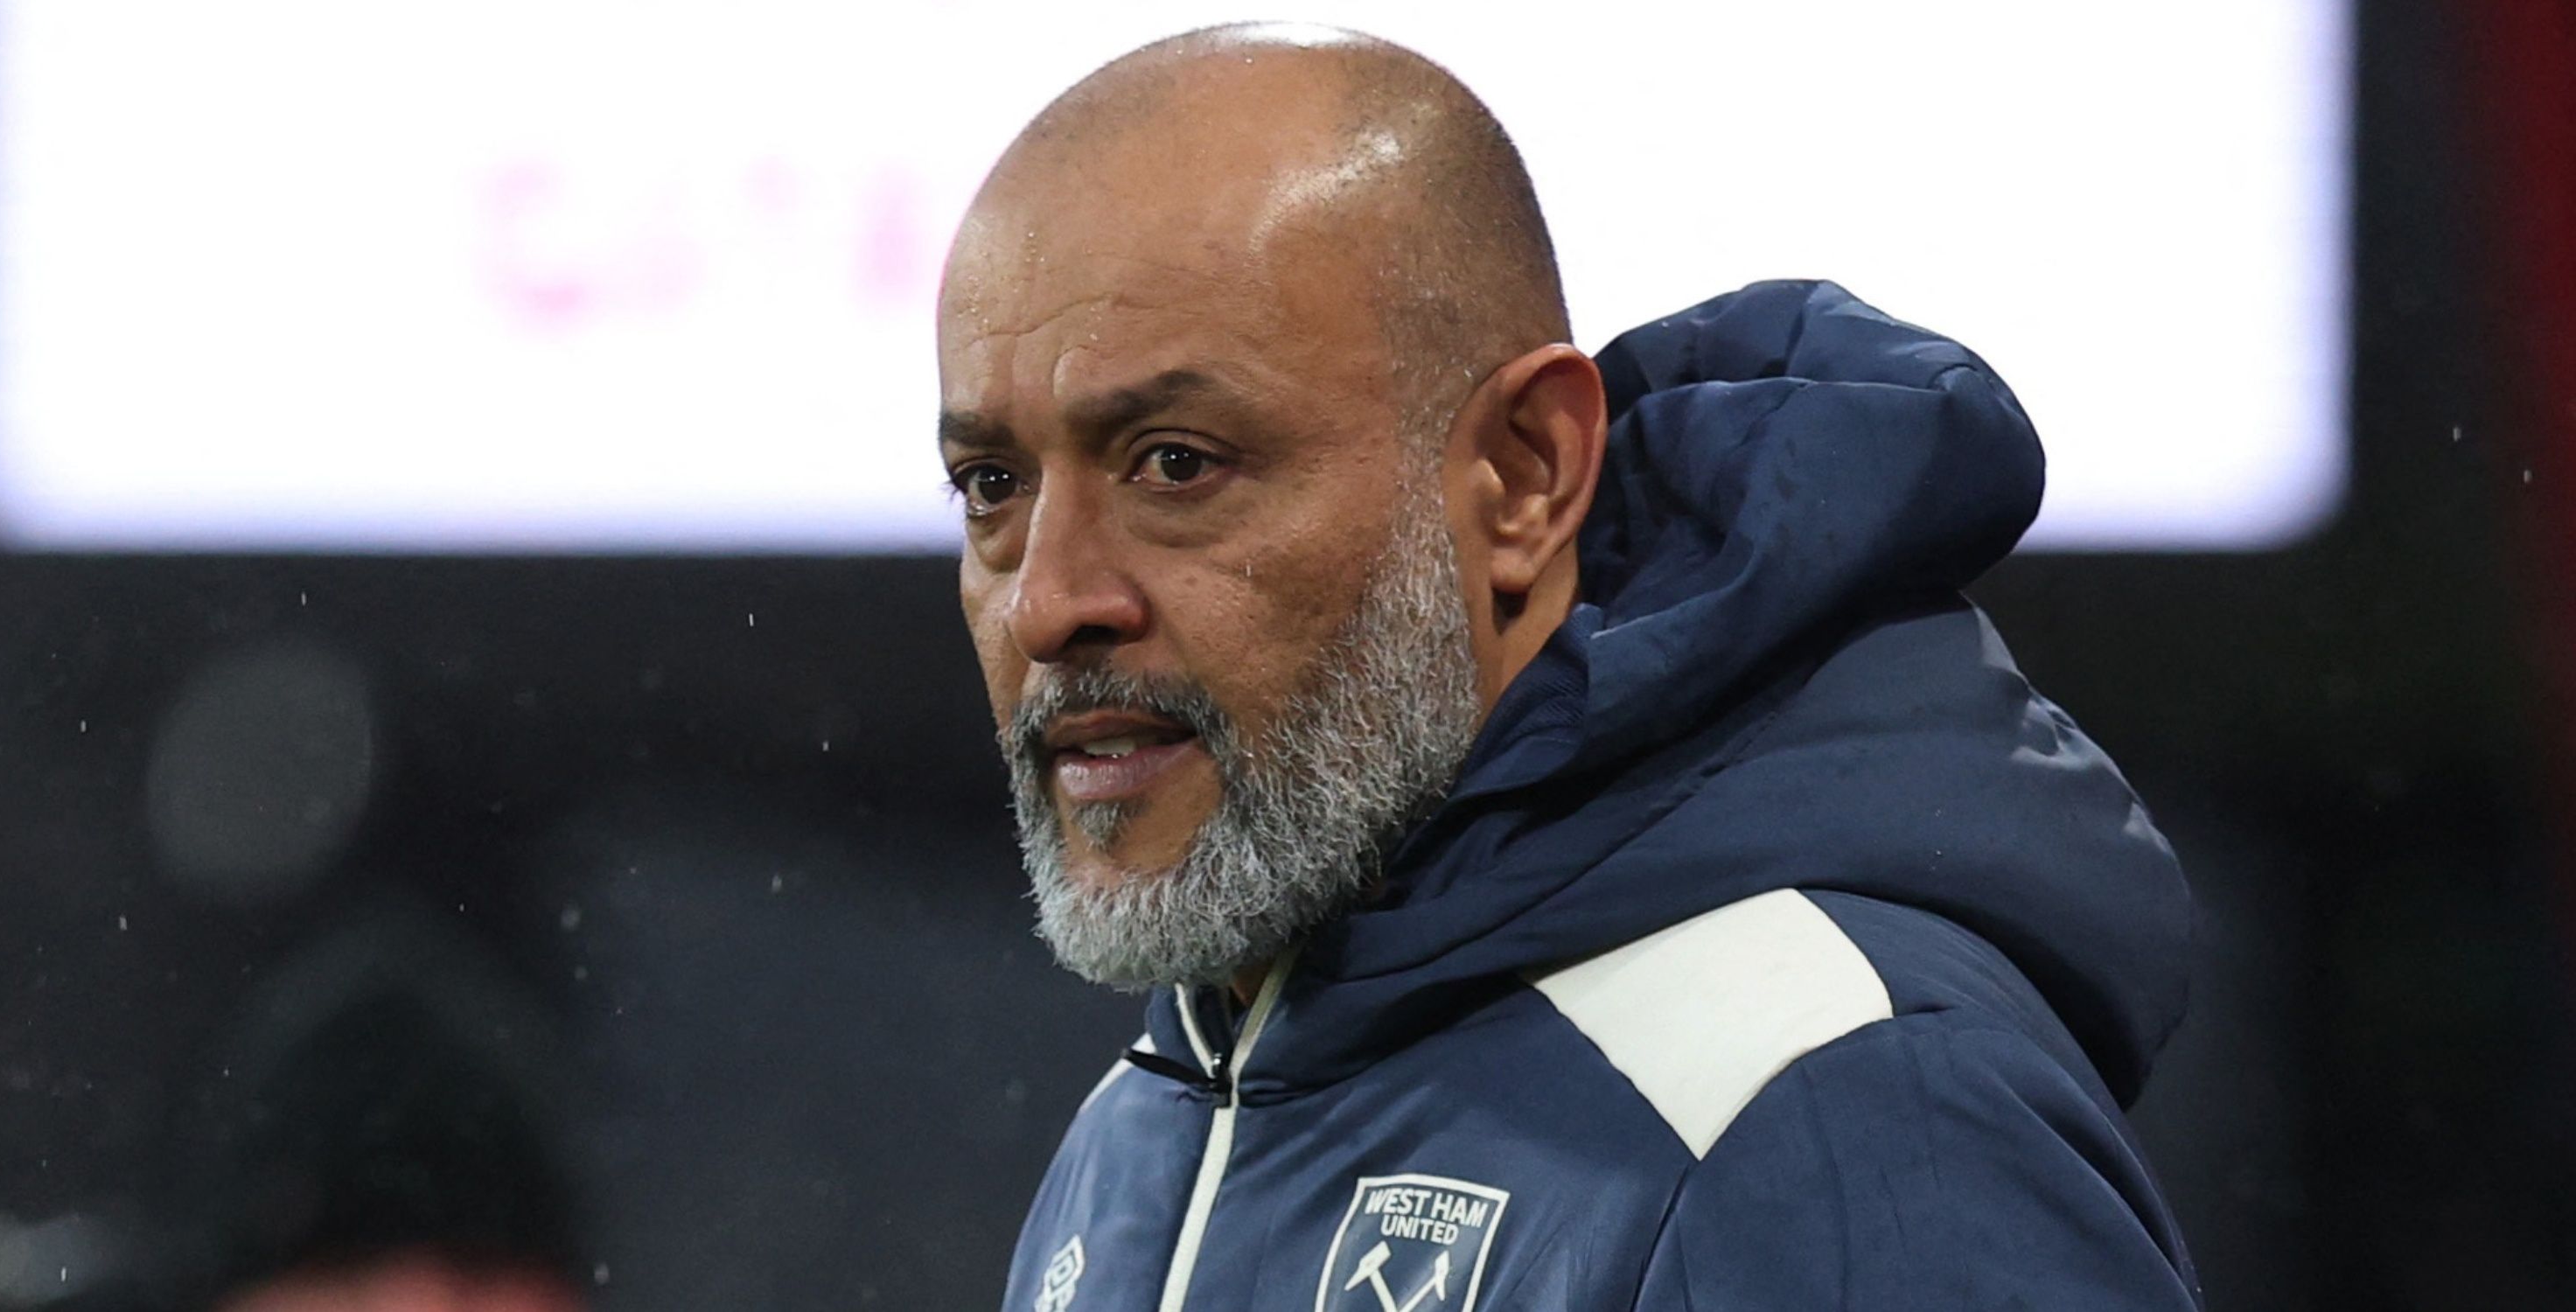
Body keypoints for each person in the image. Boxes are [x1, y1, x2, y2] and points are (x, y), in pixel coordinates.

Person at [938, 22, 2202, 1312]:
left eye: (1177, 463)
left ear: (1523, 479)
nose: (1047, 603)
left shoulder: (1834, 1104)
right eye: (990, 485)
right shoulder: (1155, 1121)